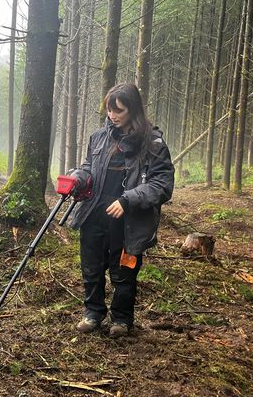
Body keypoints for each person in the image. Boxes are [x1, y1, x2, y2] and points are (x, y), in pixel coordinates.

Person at [69, 83, 174, 338]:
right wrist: (79, 178)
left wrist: (128, 200)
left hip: (129, 220)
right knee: (91, 267)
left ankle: (122, 319)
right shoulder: (99, 137)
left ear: (133, 110)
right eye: (109, 110)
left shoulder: (153, 143)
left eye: (119, 110)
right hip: (94, 213)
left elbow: (162, 184)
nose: (112, 116)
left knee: (124, 271)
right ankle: (93, 313)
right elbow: (89, 166)